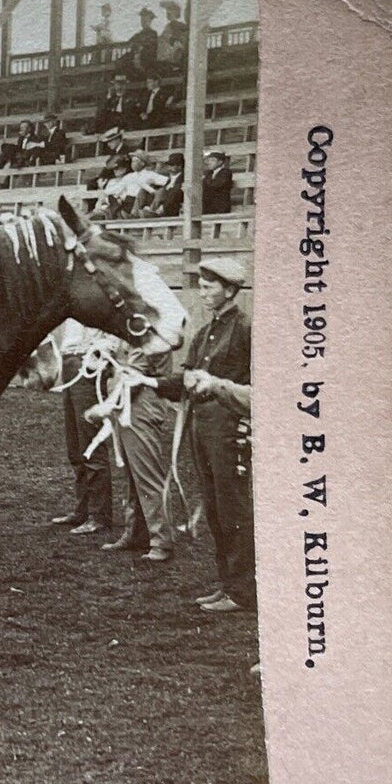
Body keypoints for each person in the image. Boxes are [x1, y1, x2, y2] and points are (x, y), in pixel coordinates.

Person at [158, 257, 254, 612]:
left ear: (230, 290)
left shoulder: (244, 328)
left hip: (230, 432)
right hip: (203, 430)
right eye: (201, 286)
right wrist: (149, 382)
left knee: (233, 510)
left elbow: (253, 384)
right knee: (215, 509)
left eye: (209, 286)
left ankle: (242, 590)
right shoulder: (205, 332)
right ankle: (227, 584)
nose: (203, 292)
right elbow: (185, 378)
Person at [94, 341, 178, 563]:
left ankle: (161, 540)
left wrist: (106, 406)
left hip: (141, 409)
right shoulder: (135, 332)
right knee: (132, 476)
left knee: (148, 477)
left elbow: (133, 376)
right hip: (128, 407)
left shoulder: (150, 334)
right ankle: (136, 533)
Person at [46, 321, 114, 536]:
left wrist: (99, 358)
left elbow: (114, 334)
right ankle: (83, 509)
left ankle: (99, 515)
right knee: (75, 445)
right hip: (70, 363)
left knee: (90, 442)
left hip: (88, 366)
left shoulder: (101, 294)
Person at [124, 8, 160, 77]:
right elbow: (129, 43)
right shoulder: (137, 35)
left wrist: (139, 50)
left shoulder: (153, 33)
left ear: (150, 21)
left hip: (147, 58)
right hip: (135, 57)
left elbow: (152, 48)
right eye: (142, 19)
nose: (143, 21)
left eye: (146, 19)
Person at [157, 0, 187, 72]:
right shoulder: (168, 26)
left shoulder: (178, 25)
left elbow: (179, 39)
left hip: (174, 51)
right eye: (167, 10)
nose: (168, 12)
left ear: (176, 12)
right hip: (165, 51)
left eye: (170, 10)